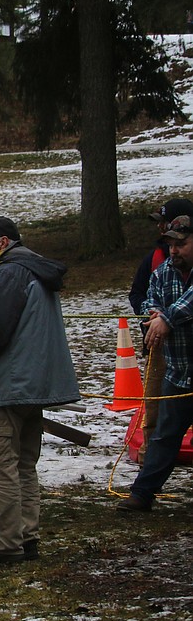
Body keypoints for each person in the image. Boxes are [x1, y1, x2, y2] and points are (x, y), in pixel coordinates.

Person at [0, 216, 78, 563]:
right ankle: (26, 536)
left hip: (6, 386)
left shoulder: (8, 273)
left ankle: (4, 543)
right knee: (25, 465)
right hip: (32, 386)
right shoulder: (32, 269)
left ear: (1, 242)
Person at [118, 215, 193, 512]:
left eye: (182, 244)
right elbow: (150, 297)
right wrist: (154, 314)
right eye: (171, 244)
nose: (174, 250)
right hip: (179, 371)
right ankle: (143, 493)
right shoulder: (163, 271)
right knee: (164, 436)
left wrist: (166, 319)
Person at [128, 198, 193, 462]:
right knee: (156, 408)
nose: (161, 229)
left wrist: (168, 317)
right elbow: (139, 294)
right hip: (160, 347)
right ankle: (149, 459)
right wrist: (152, 314)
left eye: (165, 223)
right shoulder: (156, 260)